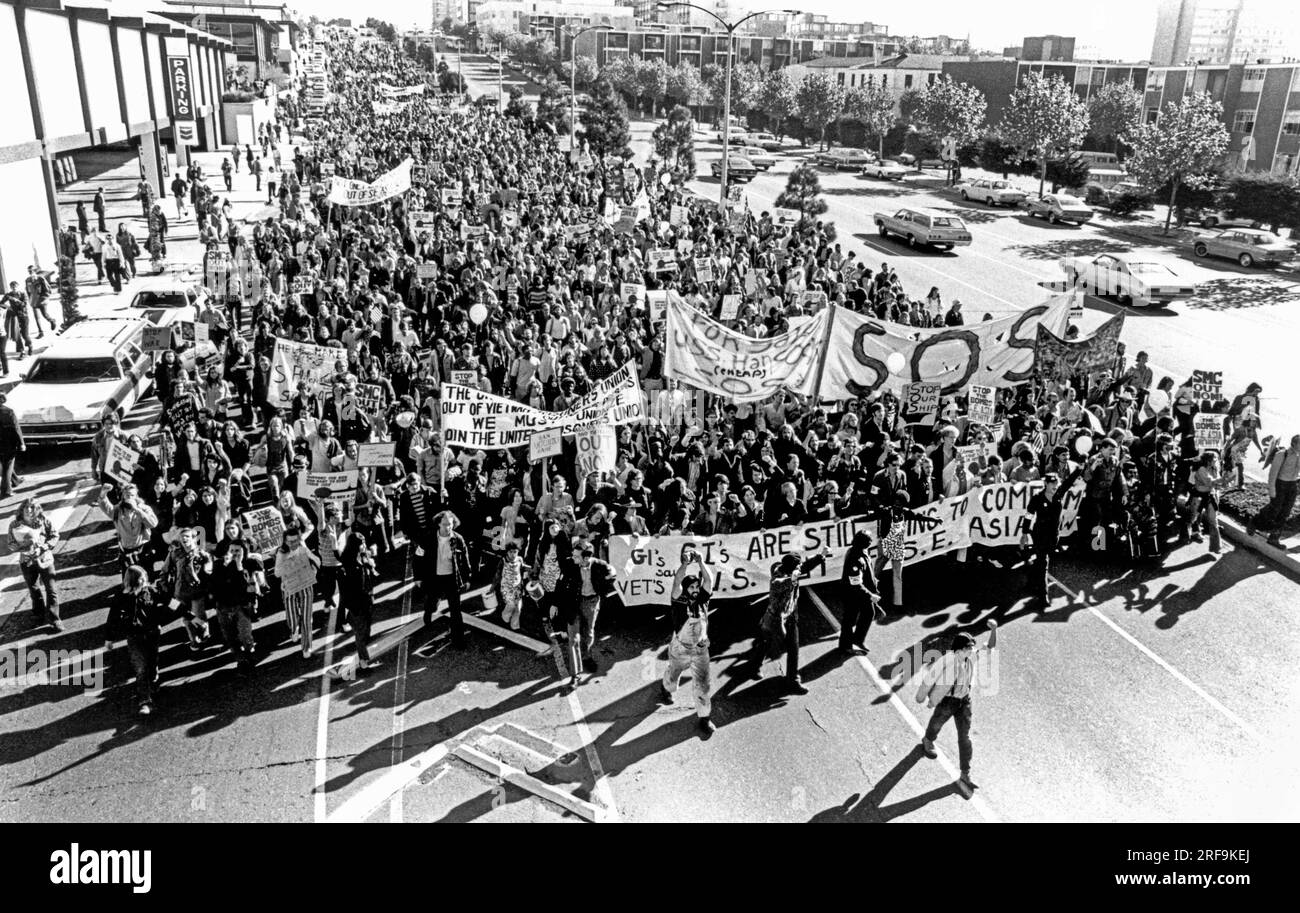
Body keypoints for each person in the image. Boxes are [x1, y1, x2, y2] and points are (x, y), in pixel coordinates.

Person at [917, 623, 997, 797]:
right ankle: (928, 739)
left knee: (965, 737)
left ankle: (965, 773)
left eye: (972, 648)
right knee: (937, 723)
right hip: (947, 701)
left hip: (964, 701)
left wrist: (993, 630)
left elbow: (989, 647)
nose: (972, 650)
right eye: (969, 648)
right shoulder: (946, 661)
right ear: (959, 649)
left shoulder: (970, 658)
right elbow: (929, 680)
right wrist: (922, 697)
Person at [658, 553, 717, 735]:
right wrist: (684, 565)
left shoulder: (703, 600)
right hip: (680, 648)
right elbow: (677, 581)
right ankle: (666, 687)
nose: (695, 589)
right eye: (691, 587)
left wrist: (700, 562)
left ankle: (704, 718)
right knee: (674, 673)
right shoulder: (678, 600)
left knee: (703, 685)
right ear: (685, 589)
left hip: (700, 650)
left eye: (696, 586)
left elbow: (709, 580)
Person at [758, 548, 829, 694]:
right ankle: (754, 666)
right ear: (790, 568)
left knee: (793, 648)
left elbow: (805, 566)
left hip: (790, 617)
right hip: (775, 619)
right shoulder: (778, 578)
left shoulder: (793, 570)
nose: (799, 569)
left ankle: (792, 680)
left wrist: (820, 556)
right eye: (796, 567)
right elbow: (779, 583)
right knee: (767, 644)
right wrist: (792, 580)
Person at [106, 565, 170, 715]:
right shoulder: (121, 597)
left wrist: (190, 616)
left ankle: (154, 680)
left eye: (144, 578)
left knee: (152, 662)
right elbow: (112, 618)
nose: (144, 581)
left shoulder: (152, 592)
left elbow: (171, 602)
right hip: (134, 637)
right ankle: (145, 701)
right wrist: (109, 638)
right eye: (141, 579)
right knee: (140, 668)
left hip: (152, 633)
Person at [555, 543, 616, 681]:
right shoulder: (570, 564)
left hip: (591, 602)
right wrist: (555, 604)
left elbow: (612, 572)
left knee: (588, 633)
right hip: (573, 603)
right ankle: (575, 674)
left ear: (586, 558)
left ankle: (586, 656)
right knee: (573, 639)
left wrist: (606, 583)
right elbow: (560, 583)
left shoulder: (599, 565)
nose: (573, 558)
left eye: (577, 556)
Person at [8, 497, 62, 630]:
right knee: (34, 590)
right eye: (26, 507)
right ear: (22, 509)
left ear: (37, 509)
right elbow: (10, 544)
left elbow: (55, 536)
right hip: (27, 561)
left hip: (45, 559)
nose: (29, 510)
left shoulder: (44, 521)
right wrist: (22, 546)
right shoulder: (14, 525)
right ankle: (39, 616)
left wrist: (43, 547)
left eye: (32, 507)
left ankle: (55, 619)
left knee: (51, 590)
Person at [420, 510, 471, 646]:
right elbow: (418, 558)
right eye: (445, 524)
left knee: (455, 610)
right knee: (432, 601)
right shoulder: (429, 538)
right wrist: (418, 577)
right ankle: (428, 611)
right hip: (434, 578)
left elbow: (465, 560)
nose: (448, 527)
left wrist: (466, 578)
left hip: (451, 579)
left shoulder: (458, 539)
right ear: (438, 524)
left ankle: (458, 639)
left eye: (450, 524)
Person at [1022, 473, 1071, 607]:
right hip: (1039, 535)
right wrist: (1025, 533)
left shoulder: (1059, 494)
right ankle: (1043, 596)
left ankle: (1030, 580)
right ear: (1046, 484)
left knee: (1040, 561)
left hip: (1053, 536)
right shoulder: (1037, 498)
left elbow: (1069, 482)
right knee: (1043, 562)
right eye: (1052, 483)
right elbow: (1028, 515)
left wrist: (1080, 468)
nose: (1055, 486)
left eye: (1057, 483)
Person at [1247, 434, 1300, 549]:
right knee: (1274, 508)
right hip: (1280, 484)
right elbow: (1273, 474)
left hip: (1292, 485)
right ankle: (1254, 521)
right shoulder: (1282, 454)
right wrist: (1272, 490)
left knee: (1285, 512)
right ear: (1294, 444)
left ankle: (1274, 538)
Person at [838, 530, 882, 655]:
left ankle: (858, 639)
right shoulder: (855, 559)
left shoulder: (861, 551)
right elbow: (856, 584)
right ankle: (845, 646)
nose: (871, 542)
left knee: (869, 613)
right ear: (862, 542)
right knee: (849, 620)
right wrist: (871, 595)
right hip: (853, 594)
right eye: (868, 540)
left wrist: (873, 580)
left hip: (862, 591)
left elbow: (868, 569)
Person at [0, 391, 25, 496]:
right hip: (7, 443)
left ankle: (15, 480)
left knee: (6, 464)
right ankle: (6, 490)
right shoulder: (8, 412)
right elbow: (16, 428)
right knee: (8, 465)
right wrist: (21, 443)